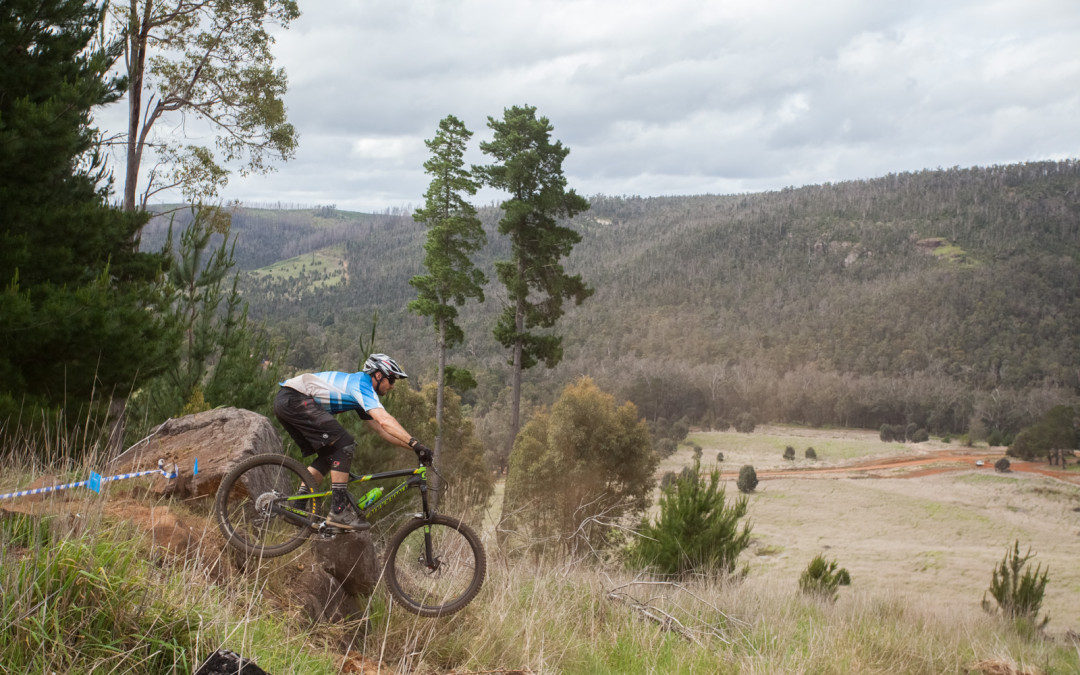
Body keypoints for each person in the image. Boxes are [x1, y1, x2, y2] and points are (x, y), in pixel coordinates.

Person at [273, 353, 433, 530]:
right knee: (345, 443)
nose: (393, 386)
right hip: (294, 400)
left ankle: (299, 505)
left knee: (330, 455)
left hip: (288, 402)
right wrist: (414, 443)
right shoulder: (361, 385)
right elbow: (384, 420)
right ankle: (338, 511)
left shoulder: (360, 390)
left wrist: (417, 447)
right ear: (378, 375)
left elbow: (382, 430)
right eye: (392, 379)